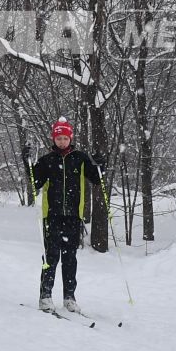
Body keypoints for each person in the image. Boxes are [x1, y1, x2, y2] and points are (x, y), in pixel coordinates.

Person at [29, 117, 104, 313]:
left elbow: (96, 179)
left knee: (70, 257)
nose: (62, 141)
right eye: (58, 138)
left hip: (73, 215)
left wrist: (100, 164)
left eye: (65, 138)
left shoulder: (79, 158)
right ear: (54, 139)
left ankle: (69, 297)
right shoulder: (47, 160)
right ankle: (45, 296)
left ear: (70, 138)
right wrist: (28, 163)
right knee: (51, 257)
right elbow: (34, 182)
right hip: (52, 215)